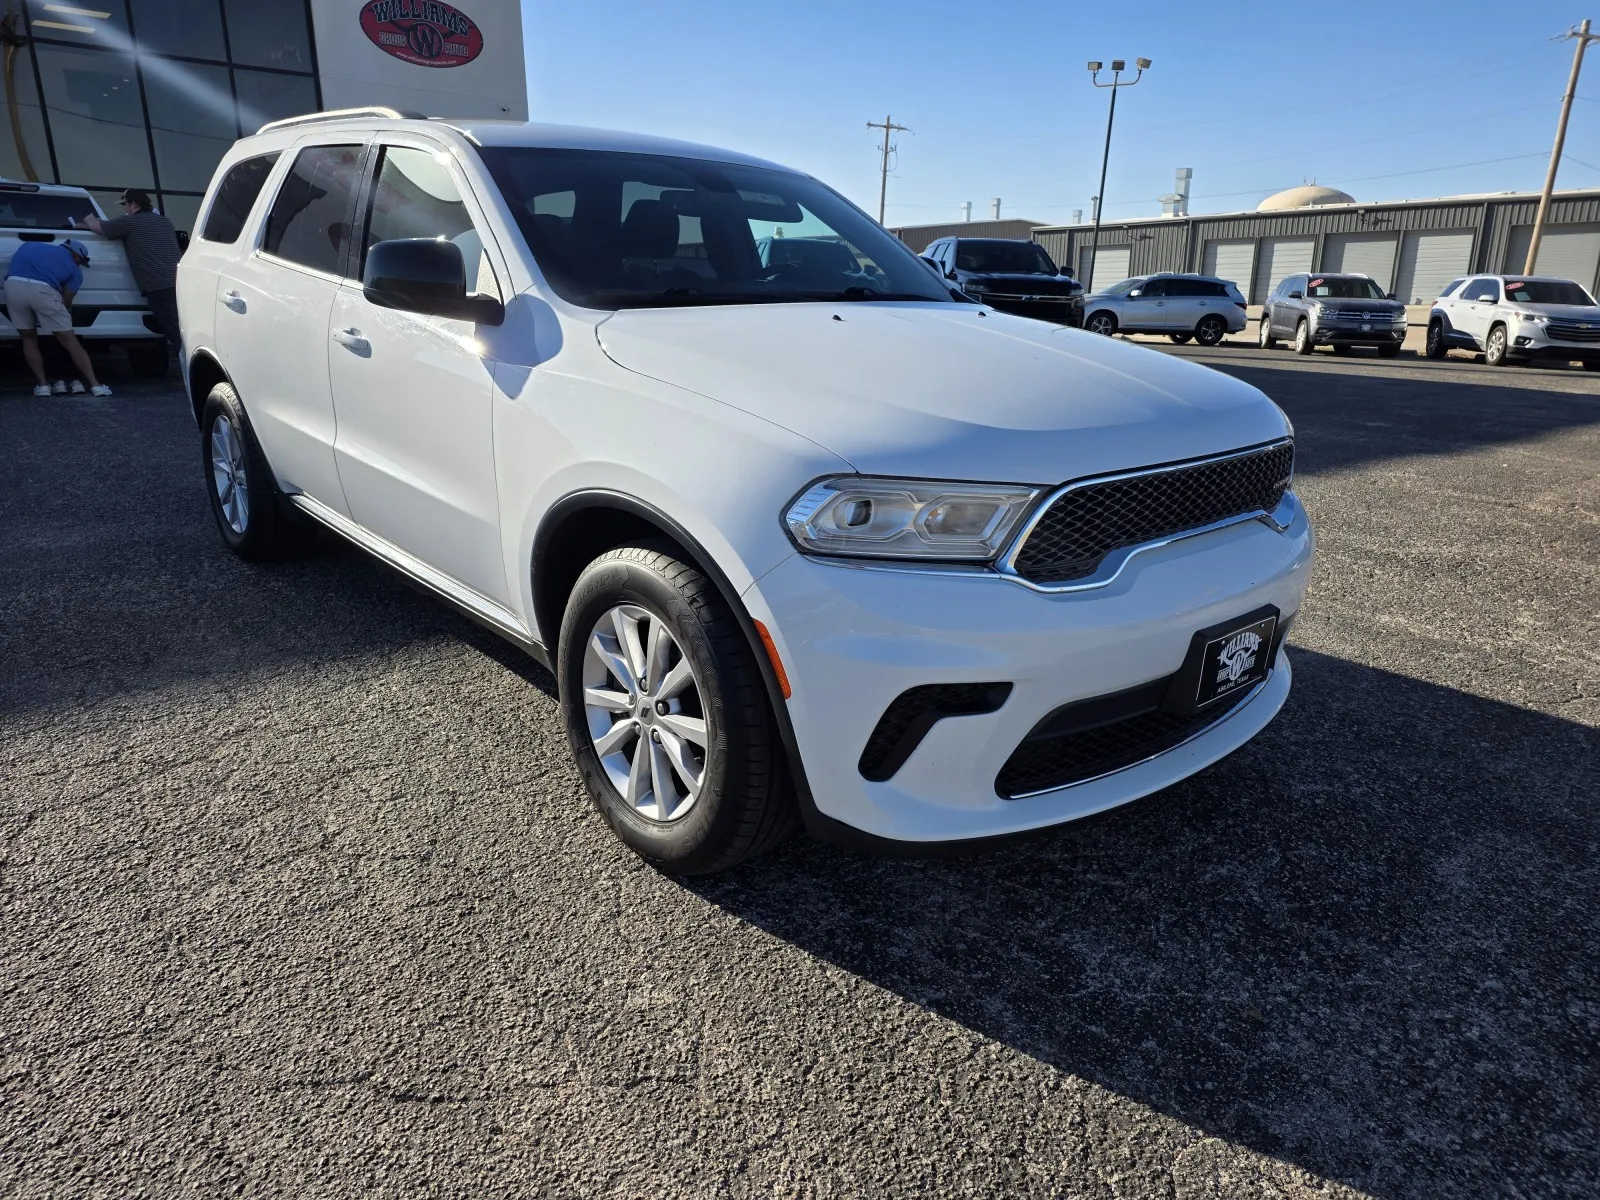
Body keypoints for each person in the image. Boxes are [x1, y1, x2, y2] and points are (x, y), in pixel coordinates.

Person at [75, 188, 180, 370]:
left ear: (134, 204)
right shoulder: (165, 221)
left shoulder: (129, 222)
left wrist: (86, 218)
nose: (124, 209)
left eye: (126, 205)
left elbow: (97, 227)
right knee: (182, 324)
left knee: (172, 328)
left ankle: (189, 364)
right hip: (178, 280)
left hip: (157, 284)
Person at [5, 238, 112, 397]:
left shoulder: (29, 246)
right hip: (44, 291)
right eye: (80, 262)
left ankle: (42, 386)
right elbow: (65, 301)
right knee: (70, 341)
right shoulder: (75, 272)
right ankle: (96, 385)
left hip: (13, 286)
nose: (79, 265)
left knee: (28, 339)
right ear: (77, 256)